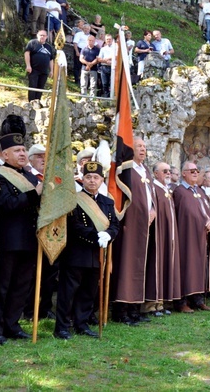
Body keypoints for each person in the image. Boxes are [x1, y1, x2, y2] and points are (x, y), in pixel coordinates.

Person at [0, 115, 42, 345]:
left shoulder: (30, 177)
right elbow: (7, 204)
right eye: (17, 150)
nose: (22, 154)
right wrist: (34, 194)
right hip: (8, 239)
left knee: (21, 286)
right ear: (5, 154)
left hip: (30, 239)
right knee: (2, 285)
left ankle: (12, 324)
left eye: (23, 149)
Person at [53, 161, 119, 340]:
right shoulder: (74, 200)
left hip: (97, 254)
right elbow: (73, 226)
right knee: (68, 292)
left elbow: (114, 224)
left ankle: (81, 324)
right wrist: (95, 235)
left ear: (102, 180)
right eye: (88, 177)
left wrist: (108, 235)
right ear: (82, 179)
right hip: (77, 253)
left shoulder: (107, 202)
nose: (92, 181)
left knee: (88, 291)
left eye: (95, 177)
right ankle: (62, 327)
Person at [111, 137, 155, 325]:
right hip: (130, 225)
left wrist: (153, 209)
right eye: (139, 146)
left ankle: (135, 308)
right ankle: (121, 310)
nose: (143, 150)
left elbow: (150, 196)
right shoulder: (127, 170)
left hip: (145, 224)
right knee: (127, 266)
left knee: (141, 266)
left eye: (145, 147)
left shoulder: (145, 170)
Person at [173, 161, 210, 312]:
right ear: (183, 173)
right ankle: (182, 301)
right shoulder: (179, 191)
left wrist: (208, 220)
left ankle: (197, 299)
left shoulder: (199, 191)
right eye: (192, 171)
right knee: (187, 266)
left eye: (197, 170)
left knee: (200, 266)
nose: (196, 173)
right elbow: (183, 213)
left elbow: (205, 210)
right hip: (187, 236)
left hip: (202, 236)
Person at [150, 162, 181, 312]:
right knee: (157, 266)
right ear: (156, 173)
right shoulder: (153, 188)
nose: (168, 173)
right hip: (158, 233)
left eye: (170, 171)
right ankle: (152, 304)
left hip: (169, 234)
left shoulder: (166, 189)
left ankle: (161, 303)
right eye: (165, 171)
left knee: (166, 265)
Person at [24, 30, 55, 102]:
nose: (42, 37)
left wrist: (51, 71)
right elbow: (27, 53)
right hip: (33, 69)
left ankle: (37, 101)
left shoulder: (49, 47)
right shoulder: (32, 43)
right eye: (41, 35)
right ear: (37, 35)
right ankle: (31, 102)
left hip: (44, 71)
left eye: (44, 35)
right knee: (33, 86)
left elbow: (51, 59)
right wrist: (28, 65)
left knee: (40, 87)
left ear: (46, 37)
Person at [96, 33, 115, 97]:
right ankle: (107, 96)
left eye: (110, 39)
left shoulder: (115, 48)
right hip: (104, 67)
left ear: (112, 40)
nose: (108, 41)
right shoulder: (103, 49)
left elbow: (117, 56)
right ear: (105, 40)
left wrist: (109, 58)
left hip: (113, 67)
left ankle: (112, 97)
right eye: (107, 39)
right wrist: (106, 61)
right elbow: (99, 59)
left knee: (112, 83)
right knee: (104, 83)